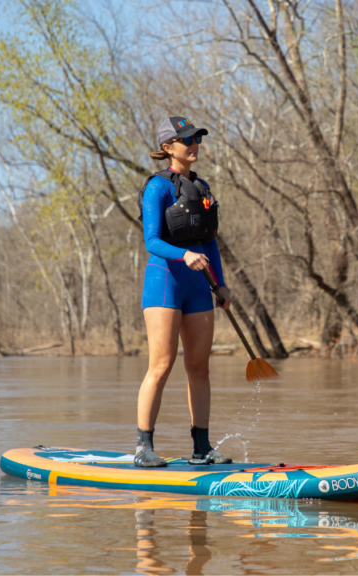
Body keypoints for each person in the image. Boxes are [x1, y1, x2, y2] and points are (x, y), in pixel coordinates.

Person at [135, 116, 233, 467]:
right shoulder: (158, 188)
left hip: (199, 286)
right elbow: (151, 241)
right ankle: (144, 448)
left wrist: (220, 283)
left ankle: (201, 449)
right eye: (187, 139)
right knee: (161, 365)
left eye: (197, 139)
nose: (194, 145)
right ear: (168, 147)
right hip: (165, 282)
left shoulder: (202, 187)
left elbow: (210, 242)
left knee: (200, 368)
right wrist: (184, 255)